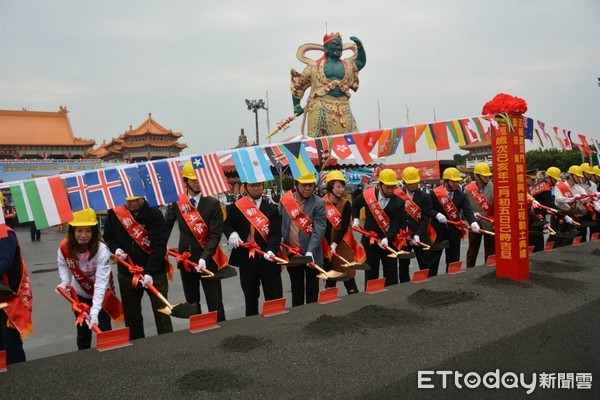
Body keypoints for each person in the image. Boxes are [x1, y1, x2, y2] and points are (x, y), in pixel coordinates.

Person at [103, 195, 173, 340]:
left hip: (154, 272)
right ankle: (137, 345)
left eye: (136, 200)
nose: (132, 203)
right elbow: (109, 237)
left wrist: (149, 272)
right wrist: (116, 249)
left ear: (142, 197)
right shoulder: (115, 213)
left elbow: (159, 245)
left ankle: (167, 341)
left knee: (162, 311)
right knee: (131, 314)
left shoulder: (154, 213)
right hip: (128, 273)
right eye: (129, 200)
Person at [166, 161, 227, 321]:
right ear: (185, 180)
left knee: (215, 304)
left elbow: (215, 235)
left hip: (208, 260)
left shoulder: (213, 204)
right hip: (186, 260)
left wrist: (204, 258)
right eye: (193, 179)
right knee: (192, 303)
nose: (197, 182)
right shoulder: (177, 202)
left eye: (199, 178)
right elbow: (166, 226)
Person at [56, 208, 122, 350]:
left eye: (88, 230)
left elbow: (100, 283)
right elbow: (63, 265)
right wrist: (65, 281)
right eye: (79, 231)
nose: (84, 235)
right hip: (79, 294)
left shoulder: (102, 250)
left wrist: (95, 309)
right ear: (72, 231)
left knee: (104, 330)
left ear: (94, 231)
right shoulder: (64, 247)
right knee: (83, 333)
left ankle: (109, 358)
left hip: (101, 294)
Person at [223, 180, 282, 316]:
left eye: (258, 185)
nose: (256, 189)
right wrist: (231, 233)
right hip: (247, 261)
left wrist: (271, 250)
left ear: (263, 187)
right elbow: (226, 225)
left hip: (268, 259)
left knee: (274, 299)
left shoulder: (271, 209)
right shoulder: (237, 208)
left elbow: (276, 233)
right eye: (252, 186)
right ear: (246, 187)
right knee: (250, 300)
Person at [291, 32, 366, 137]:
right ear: (326, 47)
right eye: (334, 45)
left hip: (343, 108)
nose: (338, 48)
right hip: (319, 106)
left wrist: (360, 46)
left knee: (353, 139)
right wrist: (297, 105)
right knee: (317, 141)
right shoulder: (314, 67)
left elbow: (361, 63)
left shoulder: (348, 65)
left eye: (340, 45)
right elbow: (299, 85)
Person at [352, 169, 407, 287]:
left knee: (391, 274)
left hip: (389, 243)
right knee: (371, 273)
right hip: (370, 242)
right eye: (387, 187)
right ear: (380, 185)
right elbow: (355, 205)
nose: (391, 190)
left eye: (393, 187)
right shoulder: (368, 195)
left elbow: (396, 224)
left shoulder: (399, 203)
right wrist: (356, 219)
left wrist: (388, 238)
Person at [280, 173, 327, 306]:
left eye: (310, 185)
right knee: (296, 288)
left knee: (312, 289)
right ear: (296, 185)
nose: (307, 188)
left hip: (311, 254)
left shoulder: (319, 203)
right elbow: (280, 221)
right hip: (292, 254)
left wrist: (310, 251)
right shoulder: (285, 201)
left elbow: (319, 229)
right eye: (304, 185)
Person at [429, 167, 479, 276]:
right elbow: (428, 209)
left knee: (453, 260)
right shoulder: (434, 193)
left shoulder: (461, 195)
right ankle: (431, 282)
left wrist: (473, 222)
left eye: (458, 181)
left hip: (454, 231)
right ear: (446, 181)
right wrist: (436, 214)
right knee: (433, 260)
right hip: (438, 232)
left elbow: (467, 211)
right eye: (453, 181)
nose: (456, 184)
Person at [0, 197, 32, 365]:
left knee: (11, 346)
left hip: (8, 299)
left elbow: (4, 262)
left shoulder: (5, 233)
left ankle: (21, 382)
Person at [322, 171, 364, 294]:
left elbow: (344, 226)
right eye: (338, 187)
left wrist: (335, 243)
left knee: (348, 274)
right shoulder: (322, 203)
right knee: (330, 276)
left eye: (342, 186)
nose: (341, 190)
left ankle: (353, 296)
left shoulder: (346, 203)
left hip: (343, 243)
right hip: (327, 245)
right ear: (330, 187)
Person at [394, 167, 432, 282]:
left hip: (419, 235)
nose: (412, 185)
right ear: (404, 182)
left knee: (424, 263)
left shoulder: (425, 196)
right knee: (403, 266)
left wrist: (417, 234)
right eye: (410, 183)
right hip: (403, 237)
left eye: (415, 183)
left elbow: (426, 219)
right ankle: (405, 287)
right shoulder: (397, 195)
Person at [530, 166, 576, 248]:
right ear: (549, 177)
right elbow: (551, 205)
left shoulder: (541, 184)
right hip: (535, 217)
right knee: (538, 241)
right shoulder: (544, 187)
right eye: (555, 180)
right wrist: (565, 216)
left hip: (537, 216)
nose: (555, 182)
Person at [464, 163, 495, 268]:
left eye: (488, 175)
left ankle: (489, 269)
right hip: (474, 223)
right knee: (472, 250)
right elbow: (465, 207)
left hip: (489, 223)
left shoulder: (494, 188)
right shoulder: (468, 189)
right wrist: (471, 216)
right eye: (484, 175)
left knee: (490, 250)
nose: (487, 178)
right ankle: (469, 270)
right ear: (476, 176)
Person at [554, 165, 588, 244]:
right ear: (570, 175)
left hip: (572, 215)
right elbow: (557, 199)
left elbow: (585, 196)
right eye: (577, 176)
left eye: (579, 176)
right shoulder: (559, 186)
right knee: (558, 238)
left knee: (569, 240)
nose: (579, 178)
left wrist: (593, 196)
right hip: (561, 214)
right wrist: (571, 199)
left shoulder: (578, 188)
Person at [526, 169, 546, 252]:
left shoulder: (528, 189)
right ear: (525, 178)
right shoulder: (521, 188)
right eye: (532, 180)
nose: (534, 182)